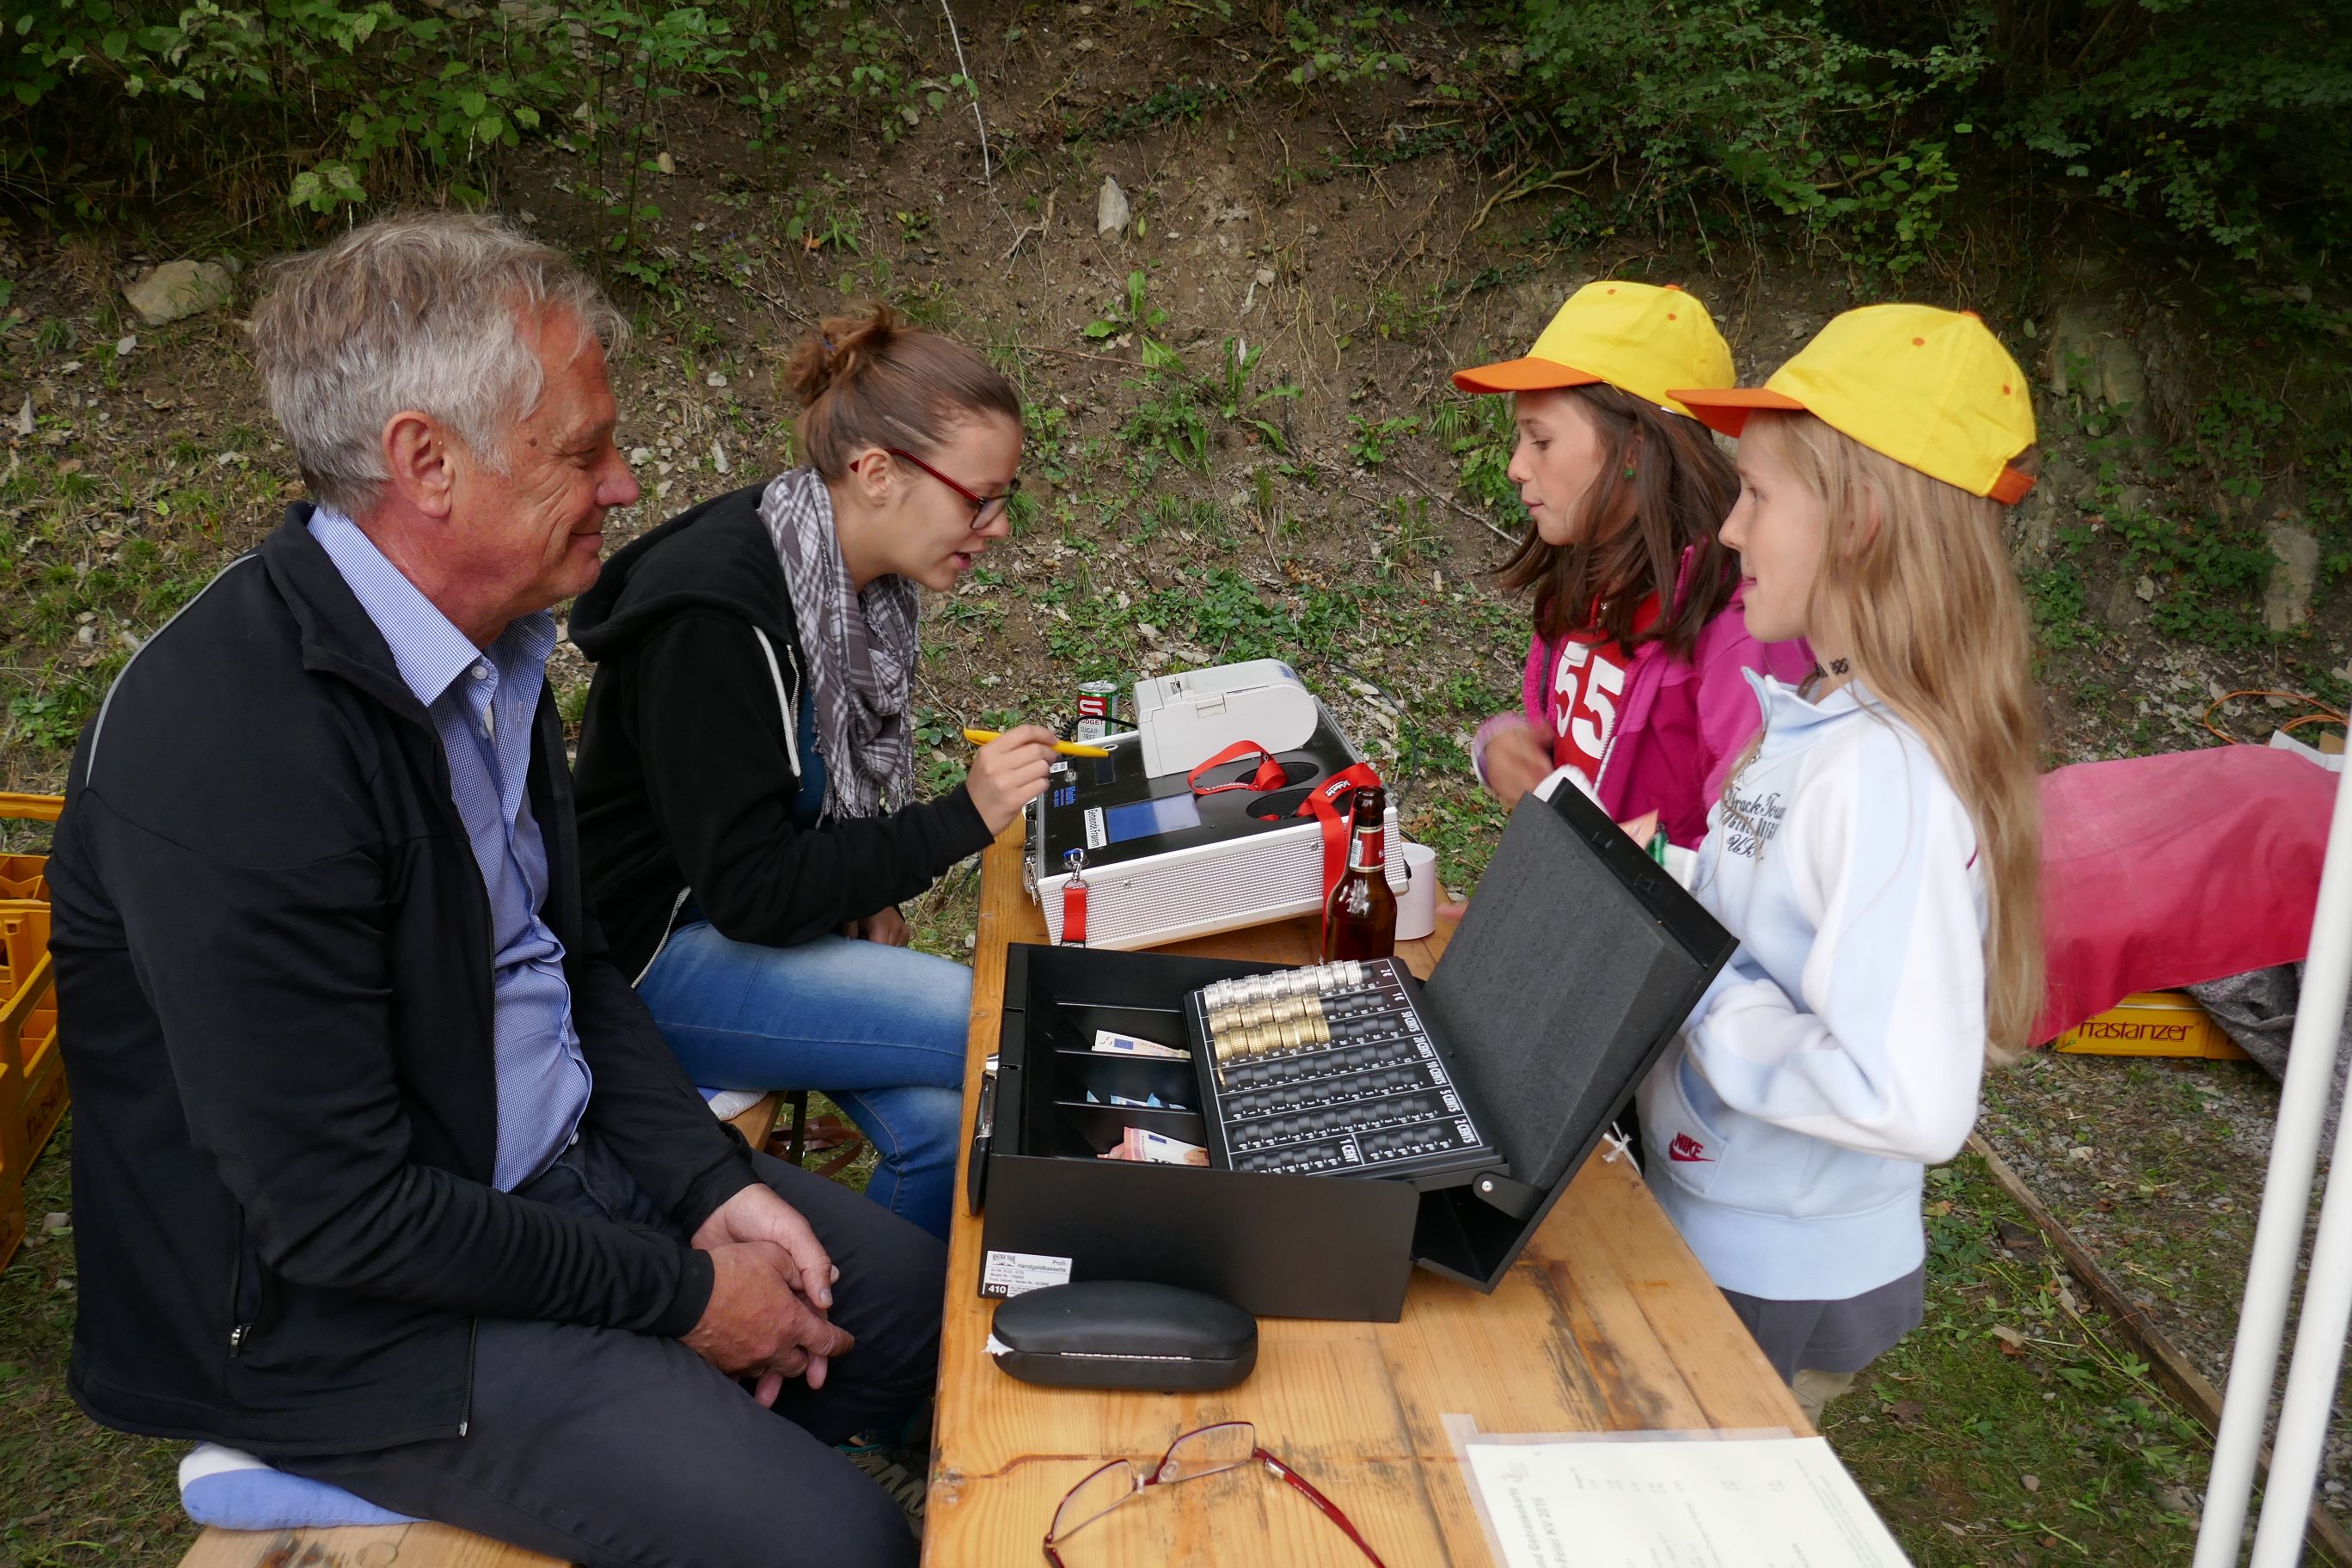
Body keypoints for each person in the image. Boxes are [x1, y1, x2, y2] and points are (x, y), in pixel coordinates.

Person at [46, 213, 941, 1566]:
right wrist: (685, 1293)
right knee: (838, 1547)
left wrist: (707, 1182)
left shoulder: (488, 650)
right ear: (428, 463)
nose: (625, 483)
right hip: (355, 1319)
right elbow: (340, 1213)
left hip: (556, 1176)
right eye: (581, 452)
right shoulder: (229, 752)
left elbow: (571, 963)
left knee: (935, 1319)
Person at [572, 303, 1057, 1241]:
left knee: (942, 1126)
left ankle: (888, 1320)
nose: (995, 527)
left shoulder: (838, 573)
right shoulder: (715, 616)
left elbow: (799, 799)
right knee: (992, 1023)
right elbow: (751, 888)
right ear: (876, 474)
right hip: (647, 959)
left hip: (734, 918)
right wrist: (961, 817)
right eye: (979, 498)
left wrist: (860, 883)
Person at [1640, 305, 2045, 1425]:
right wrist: (1663, 886)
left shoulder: (1885, 774)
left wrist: (1694, 982)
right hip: (1724, 1214)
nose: (1729, 531)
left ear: (1859, 520)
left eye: (1757, 496)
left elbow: (1909, 1099)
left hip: (1772, 1266)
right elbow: (1776, 925)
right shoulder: (1826, 714)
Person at [1455, 281, 1813, 848]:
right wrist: (1502, 747)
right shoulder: (1587, 581)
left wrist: (1610, 866)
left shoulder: (1738, 628)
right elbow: (1579, 751)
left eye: (1540, 441)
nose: (1515, 467)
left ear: (1634, 448)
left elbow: (1752, 852)